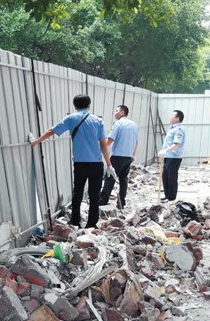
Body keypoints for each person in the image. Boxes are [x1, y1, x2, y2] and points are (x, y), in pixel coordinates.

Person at [31, 94, 111, 228]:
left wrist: (37, 141)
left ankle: (75, 221)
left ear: (75, 106)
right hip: (96, 164)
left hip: (79, 164)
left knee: (77, 192)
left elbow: (52, 131)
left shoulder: (70, 119)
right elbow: (103, 145)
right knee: (94, 194)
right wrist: (109, 164)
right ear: (89, 105)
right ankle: (91, 224)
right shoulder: (98, 121)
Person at [99, 104, 138, 208]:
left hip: (117, 156)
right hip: (129, 157)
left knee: (109, 178)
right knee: (123, 180)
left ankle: (102, 201)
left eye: (116, 111)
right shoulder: (134, 125)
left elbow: (110, 139)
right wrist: (133, 155)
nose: (115, 113)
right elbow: (136, 142)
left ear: (122, 112)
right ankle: (121, 203)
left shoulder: (118, 124)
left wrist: (102, 148)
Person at [159, 110, 186, 202]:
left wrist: (165, 151)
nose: (170, 117)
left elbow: (177, 144)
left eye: (172, 115)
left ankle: (171, 197)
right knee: (165, 176)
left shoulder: (179, 129)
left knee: (171, 176)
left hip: (174, 157)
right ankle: (167, 195)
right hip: (168, 156)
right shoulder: (172, 128)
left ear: (177, 118)